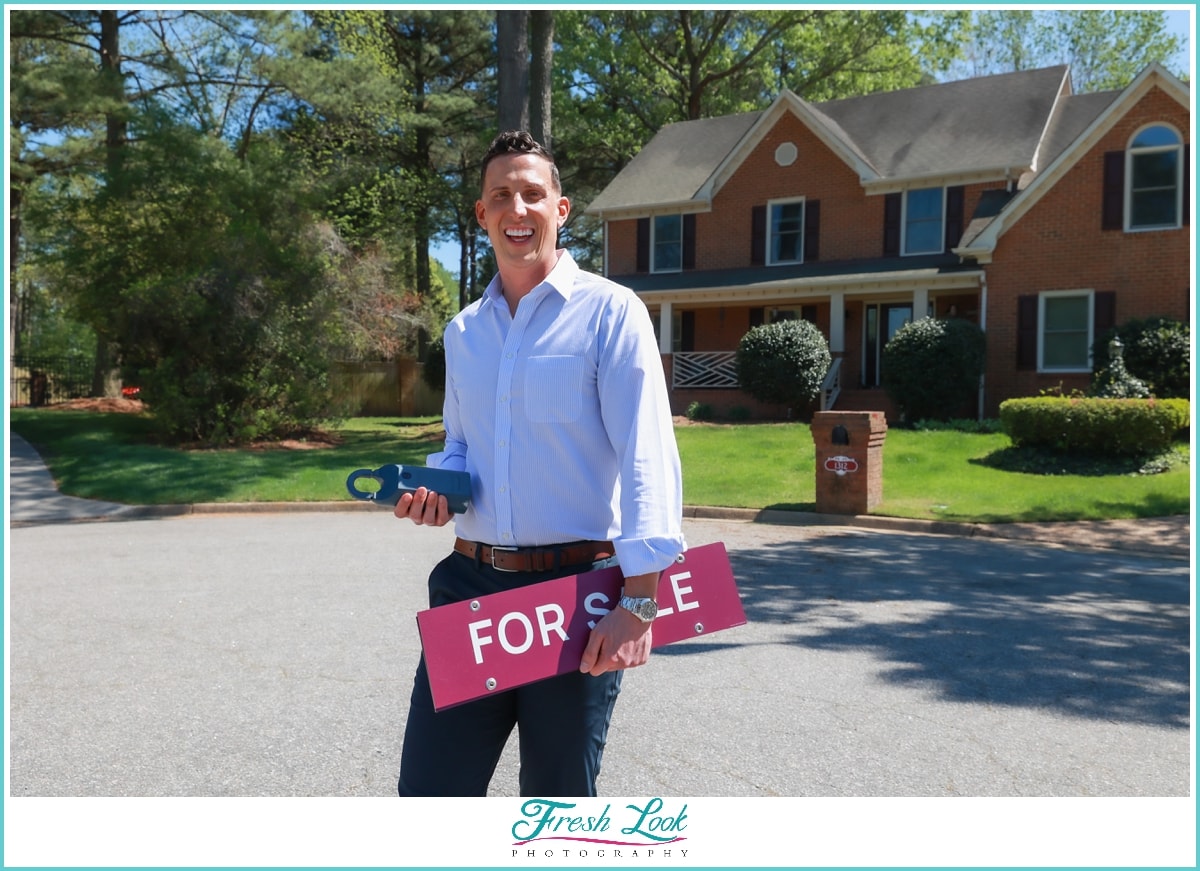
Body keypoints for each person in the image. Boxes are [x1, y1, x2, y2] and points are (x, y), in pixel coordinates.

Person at [392, 130, 685, 797]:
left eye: (533, 193)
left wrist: (640, 600)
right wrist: (438, 488)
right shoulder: (464, 332)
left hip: (577, 596)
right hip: (471, 585)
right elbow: (461, 445)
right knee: (430, 796)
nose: (517, 208)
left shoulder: (611, 313)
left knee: (555, 812)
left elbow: (647, 454)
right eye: (502, 195)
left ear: (562, 209)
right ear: (481, 214)